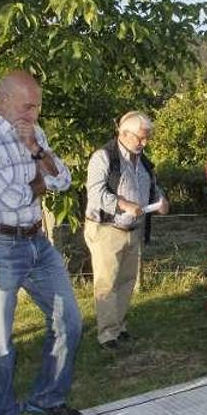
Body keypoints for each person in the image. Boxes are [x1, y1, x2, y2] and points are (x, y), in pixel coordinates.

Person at [0, 70, 83, 415]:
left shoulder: (35, 133)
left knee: (70, 319)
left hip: (37, 241)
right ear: (4, 99)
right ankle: (4, 413)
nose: (34, 112)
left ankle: (48, 396)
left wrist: (35, 152)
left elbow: (63, 179)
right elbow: (8, 198)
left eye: (38, 105)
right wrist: (42, 181)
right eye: (28, 105)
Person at [84, 111, 169, 350]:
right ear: (123, 133)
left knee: (127, 280)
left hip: (133, 230)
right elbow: (95, 194)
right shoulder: (103, 157)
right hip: (106, 228)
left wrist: (161, 201)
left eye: (147, 138)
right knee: (107, 282)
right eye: (140, 138)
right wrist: (123, 203)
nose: (144, 143)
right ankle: (107, 335)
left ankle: (119, 327)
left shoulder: (142, 159)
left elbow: (152, 187)